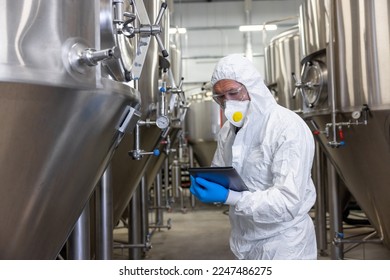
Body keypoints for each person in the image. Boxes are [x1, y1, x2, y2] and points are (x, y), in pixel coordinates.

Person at [190, 54, 317, 260]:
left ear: (253, 88)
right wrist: (207, 181)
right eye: (220, 97)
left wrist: (229, 197)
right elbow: (221, 171)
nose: (227, 102)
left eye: (233, 93)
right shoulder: (228, 131)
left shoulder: (286, 126)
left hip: (284, 243)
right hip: (244, 239)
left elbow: (287, 202)